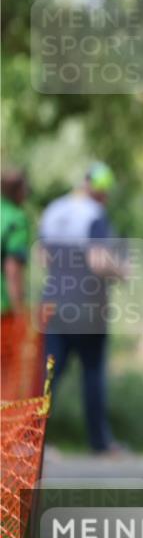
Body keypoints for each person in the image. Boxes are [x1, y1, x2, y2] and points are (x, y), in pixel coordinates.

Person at [38, 162, 125, 453]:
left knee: (47, 376)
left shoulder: (54, 210)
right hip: (87, 308)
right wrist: (122, 270)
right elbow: (98, 261)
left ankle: (29, 438)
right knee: (93, 373)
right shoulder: (93, 215)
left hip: (54, 303)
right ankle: (100, 443)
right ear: (100, 190)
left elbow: (43, 258)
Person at [1, 168, 34, 399]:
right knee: (6, 375)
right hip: (3, 310)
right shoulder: (16, 219)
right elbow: (12, 270)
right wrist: (19, 311)